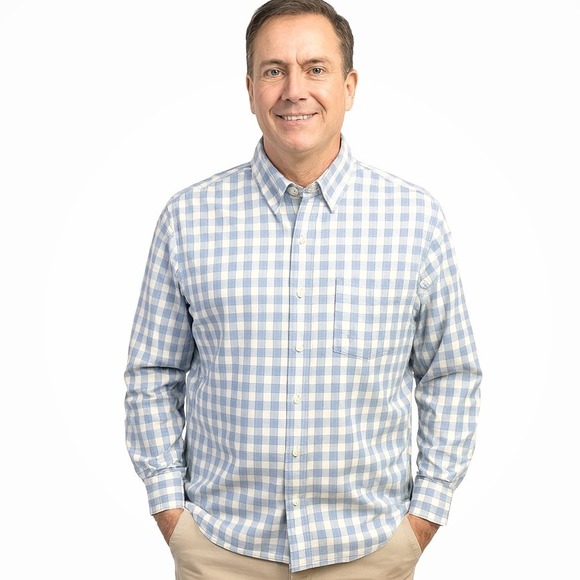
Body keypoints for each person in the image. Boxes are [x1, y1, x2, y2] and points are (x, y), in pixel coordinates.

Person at [124, 0, 482, 578]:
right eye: (274, 70)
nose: (295, 90)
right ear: (250, 89)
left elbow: (451, 374)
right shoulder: (188, 219)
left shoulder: (416, 221)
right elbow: (152, 374)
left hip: (369, 549)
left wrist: (422, 520)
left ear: (349, 86)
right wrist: (172, 515)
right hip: (220, 547)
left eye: (316, 68)